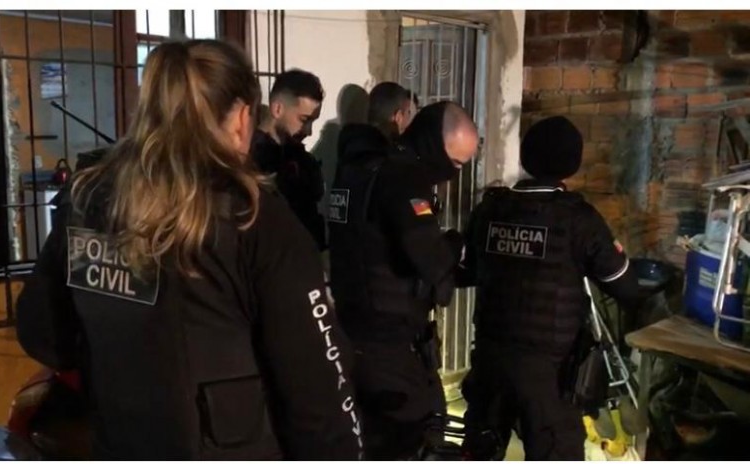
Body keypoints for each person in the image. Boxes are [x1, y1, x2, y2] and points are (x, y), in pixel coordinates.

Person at [15, 39, 362, 460]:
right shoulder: (253, 216)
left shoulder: (89, 200)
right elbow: (318, 386)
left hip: (120, 441)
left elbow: (43, 334)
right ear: (242, 117)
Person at [458, 115, 640, 460]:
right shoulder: (579, 219)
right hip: (548, 376)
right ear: (572, 162)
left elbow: (463, 273)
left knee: (479, 450)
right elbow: (627, 288)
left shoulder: (491, 209)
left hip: (490, 363)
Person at [328, 101, 478, 459]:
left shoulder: (357, 168)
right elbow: (432, 260)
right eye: (455, 164)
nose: (453, 174)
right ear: (433, 145)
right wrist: (456, 243)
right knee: (410, 438)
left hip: (353, 332)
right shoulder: (403, 178)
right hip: (390, 342)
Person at [251, 69, 327, 250]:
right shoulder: (249, 160)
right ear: (277, 109)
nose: (309, 131)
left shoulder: (303, 161)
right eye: (304, 119)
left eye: (313, 122)